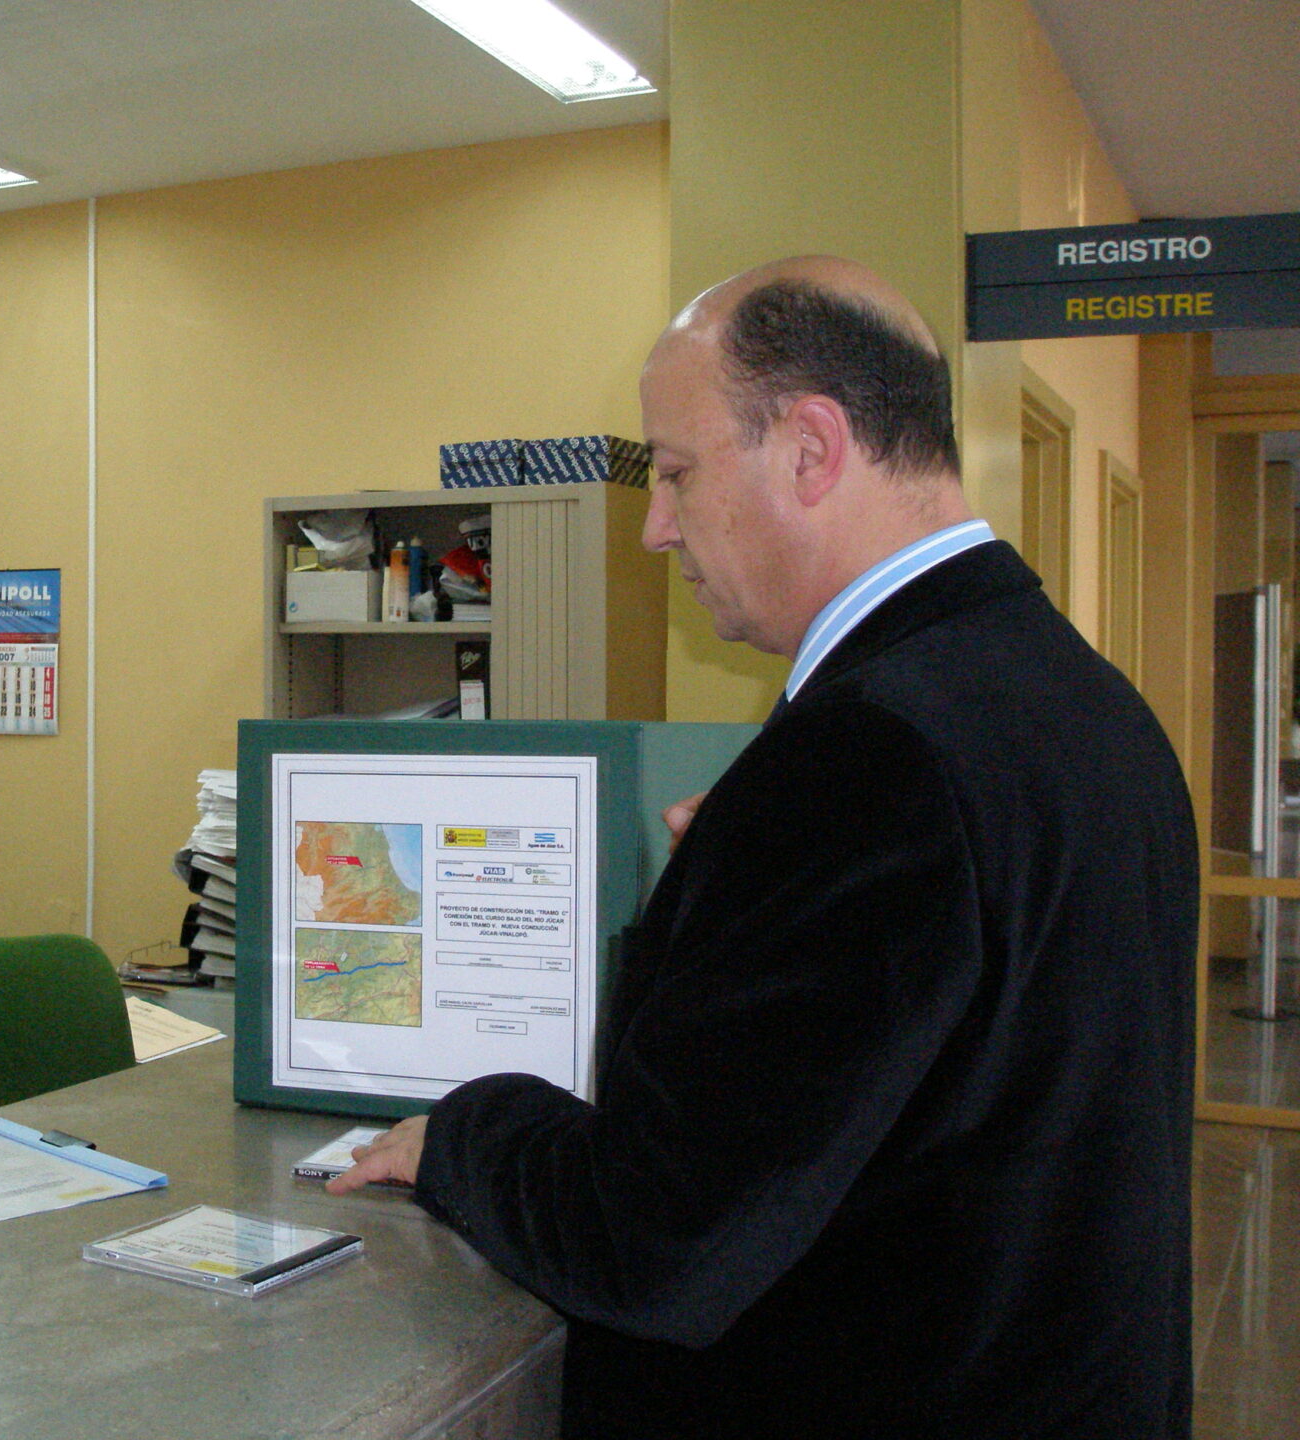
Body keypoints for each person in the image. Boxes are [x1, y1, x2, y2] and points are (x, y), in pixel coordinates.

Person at [333, 257, 1197, 1438]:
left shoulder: (869, 754)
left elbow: (655, 1241)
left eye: (675, 473)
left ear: (810, 449)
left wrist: (467, 1132)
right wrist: (744, 885)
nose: (655, 528)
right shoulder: (1083, 702)